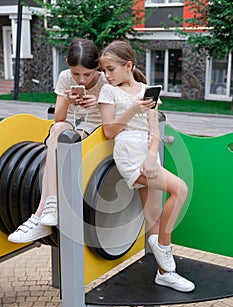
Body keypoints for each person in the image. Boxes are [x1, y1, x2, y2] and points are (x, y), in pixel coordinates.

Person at [98, 40, 195, 292]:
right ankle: (164, 248)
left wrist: (152, 156)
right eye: (104, 70)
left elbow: (154, 128)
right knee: (180, 189)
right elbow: (109, 131)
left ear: (128, 65)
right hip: (129, 153)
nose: (107, 75)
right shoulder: (109, 92)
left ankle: (164, 273)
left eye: (111, 69)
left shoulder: (147, 90)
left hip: (148, 154)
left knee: (153, 216)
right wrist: (131, 109)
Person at [8, 38, 108, 243]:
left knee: (65, 138)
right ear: (67, 65)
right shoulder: (64, 77)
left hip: (96, 129)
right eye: (75, 73)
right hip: (71, 124)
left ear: (97, 66)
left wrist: (100, 103)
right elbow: (59, 118)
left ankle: (39, 214)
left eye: (87, 74)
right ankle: (51, 206)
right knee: (58, 130)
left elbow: (113, 119)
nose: (81, 80)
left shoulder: (106, 81)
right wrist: (66, 99)